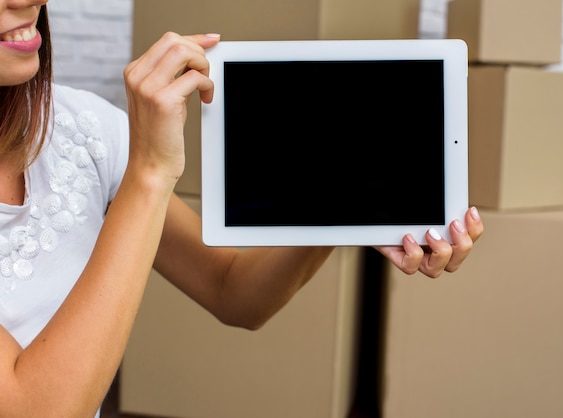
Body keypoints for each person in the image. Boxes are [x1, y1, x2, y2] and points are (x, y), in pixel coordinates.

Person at [0, 1, 483, 416]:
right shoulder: (125, 151)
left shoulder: (82, 129)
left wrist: (344, 205)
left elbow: (234, 293)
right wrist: (149, 173)